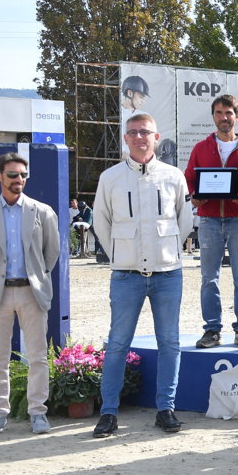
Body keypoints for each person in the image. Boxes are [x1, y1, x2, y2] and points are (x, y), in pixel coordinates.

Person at [92, 114, 193, 437]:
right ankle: (108, 412)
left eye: (145, 132)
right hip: (126, 275)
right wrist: (121, 256)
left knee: (170, 342)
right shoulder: (110, 178)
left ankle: (166, 408)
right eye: (133, 132)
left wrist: (169, 253)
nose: (139, 137)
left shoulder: (174, 176)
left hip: (167, 273)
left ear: (156, 137)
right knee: (118, 343)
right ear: (125, 138)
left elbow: (184, 221)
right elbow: (101, 222)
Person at [0, 153, 60, 437]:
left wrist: (35, 276)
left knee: (38, 358)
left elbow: (51, 252)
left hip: (32, 293)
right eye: (12, 175)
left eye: (23, 175)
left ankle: (38, 413)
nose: (19, 180)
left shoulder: (42, 212)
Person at [184, 94, 238, 349]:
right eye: (218, 113)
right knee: (209, 278)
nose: (224, 118)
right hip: (209, 221)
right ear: (213, 116)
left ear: (237, 117)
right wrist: (195, 199)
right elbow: (190, 180)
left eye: (228, 113)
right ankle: (212, 330)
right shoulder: (201, 148)